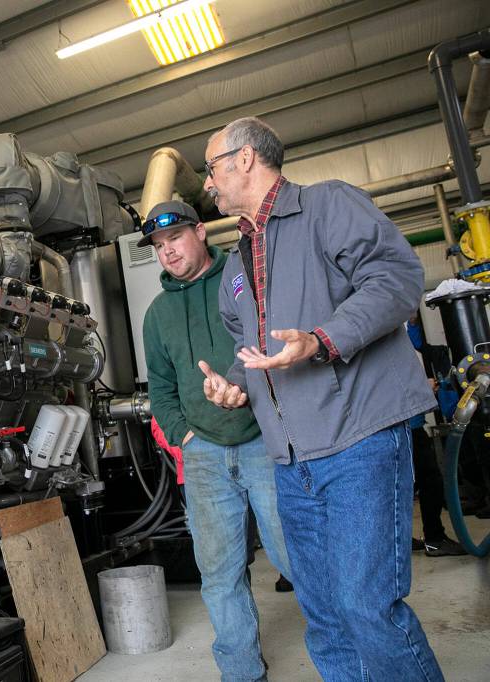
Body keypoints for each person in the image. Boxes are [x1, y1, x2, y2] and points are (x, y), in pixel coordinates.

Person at [198, 116, 444, 681]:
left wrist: (322, 340)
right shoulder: (234, 266)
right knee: (326, 617)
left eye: (211, 168)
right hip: (289, 459)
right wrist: (234, 383)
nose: (207, 183)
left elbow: (397, 277)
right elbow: (251, 347)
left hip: (359, 439)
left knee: (366, 607)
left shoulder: (328, 206)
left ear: (245, 159)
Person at [141, 199, 293, 682]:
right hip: (203, 452)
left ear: (201, 232)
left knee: (297, 556)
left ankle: (341, 658)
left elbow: (273, 345)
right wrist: (185, 436)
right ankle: (243, 673)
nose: (168, 253)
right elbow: (160, 388)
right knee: (219, 574)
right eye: (159, 247)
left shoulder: (241, 279)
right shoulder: (157, 314)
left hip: (262, 442)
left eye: (176, 239)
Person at [405, 314, 465, 556]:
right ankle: (435, 538)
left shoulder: (401, 330)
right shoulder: (383, 329)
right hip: (405, 423)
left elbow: (416, 344)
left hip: (411, 420)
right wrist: (422, 386)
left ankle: (399, 539)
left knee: (408, 484)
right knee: (429, 481)